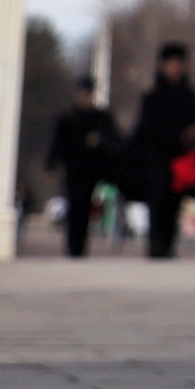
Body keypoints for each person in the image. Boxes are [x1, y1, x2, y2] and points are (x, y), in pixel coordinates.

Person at [129, 42, 195, 260]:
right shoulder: (152, 97)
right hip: (157, 158)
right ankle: (156, 244)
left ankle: (168, 244)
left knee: (174, 203)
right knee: (157, 201)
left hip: (181, 160)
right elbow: (142, 129)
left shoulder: (190, 96)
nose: (174, 68)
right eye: (171, 64)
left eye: (178, 64)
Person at [45, 77, 121, 258]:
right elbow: (57, 144)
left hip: (93, 170)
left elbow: (114, 142)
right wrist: (51, 165)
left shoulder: (101, 118)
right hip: (73, 169)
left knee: (85, 207)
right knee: (74, 207)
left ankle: (79, 246)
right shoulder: (67, 119)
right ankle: (73, 246)